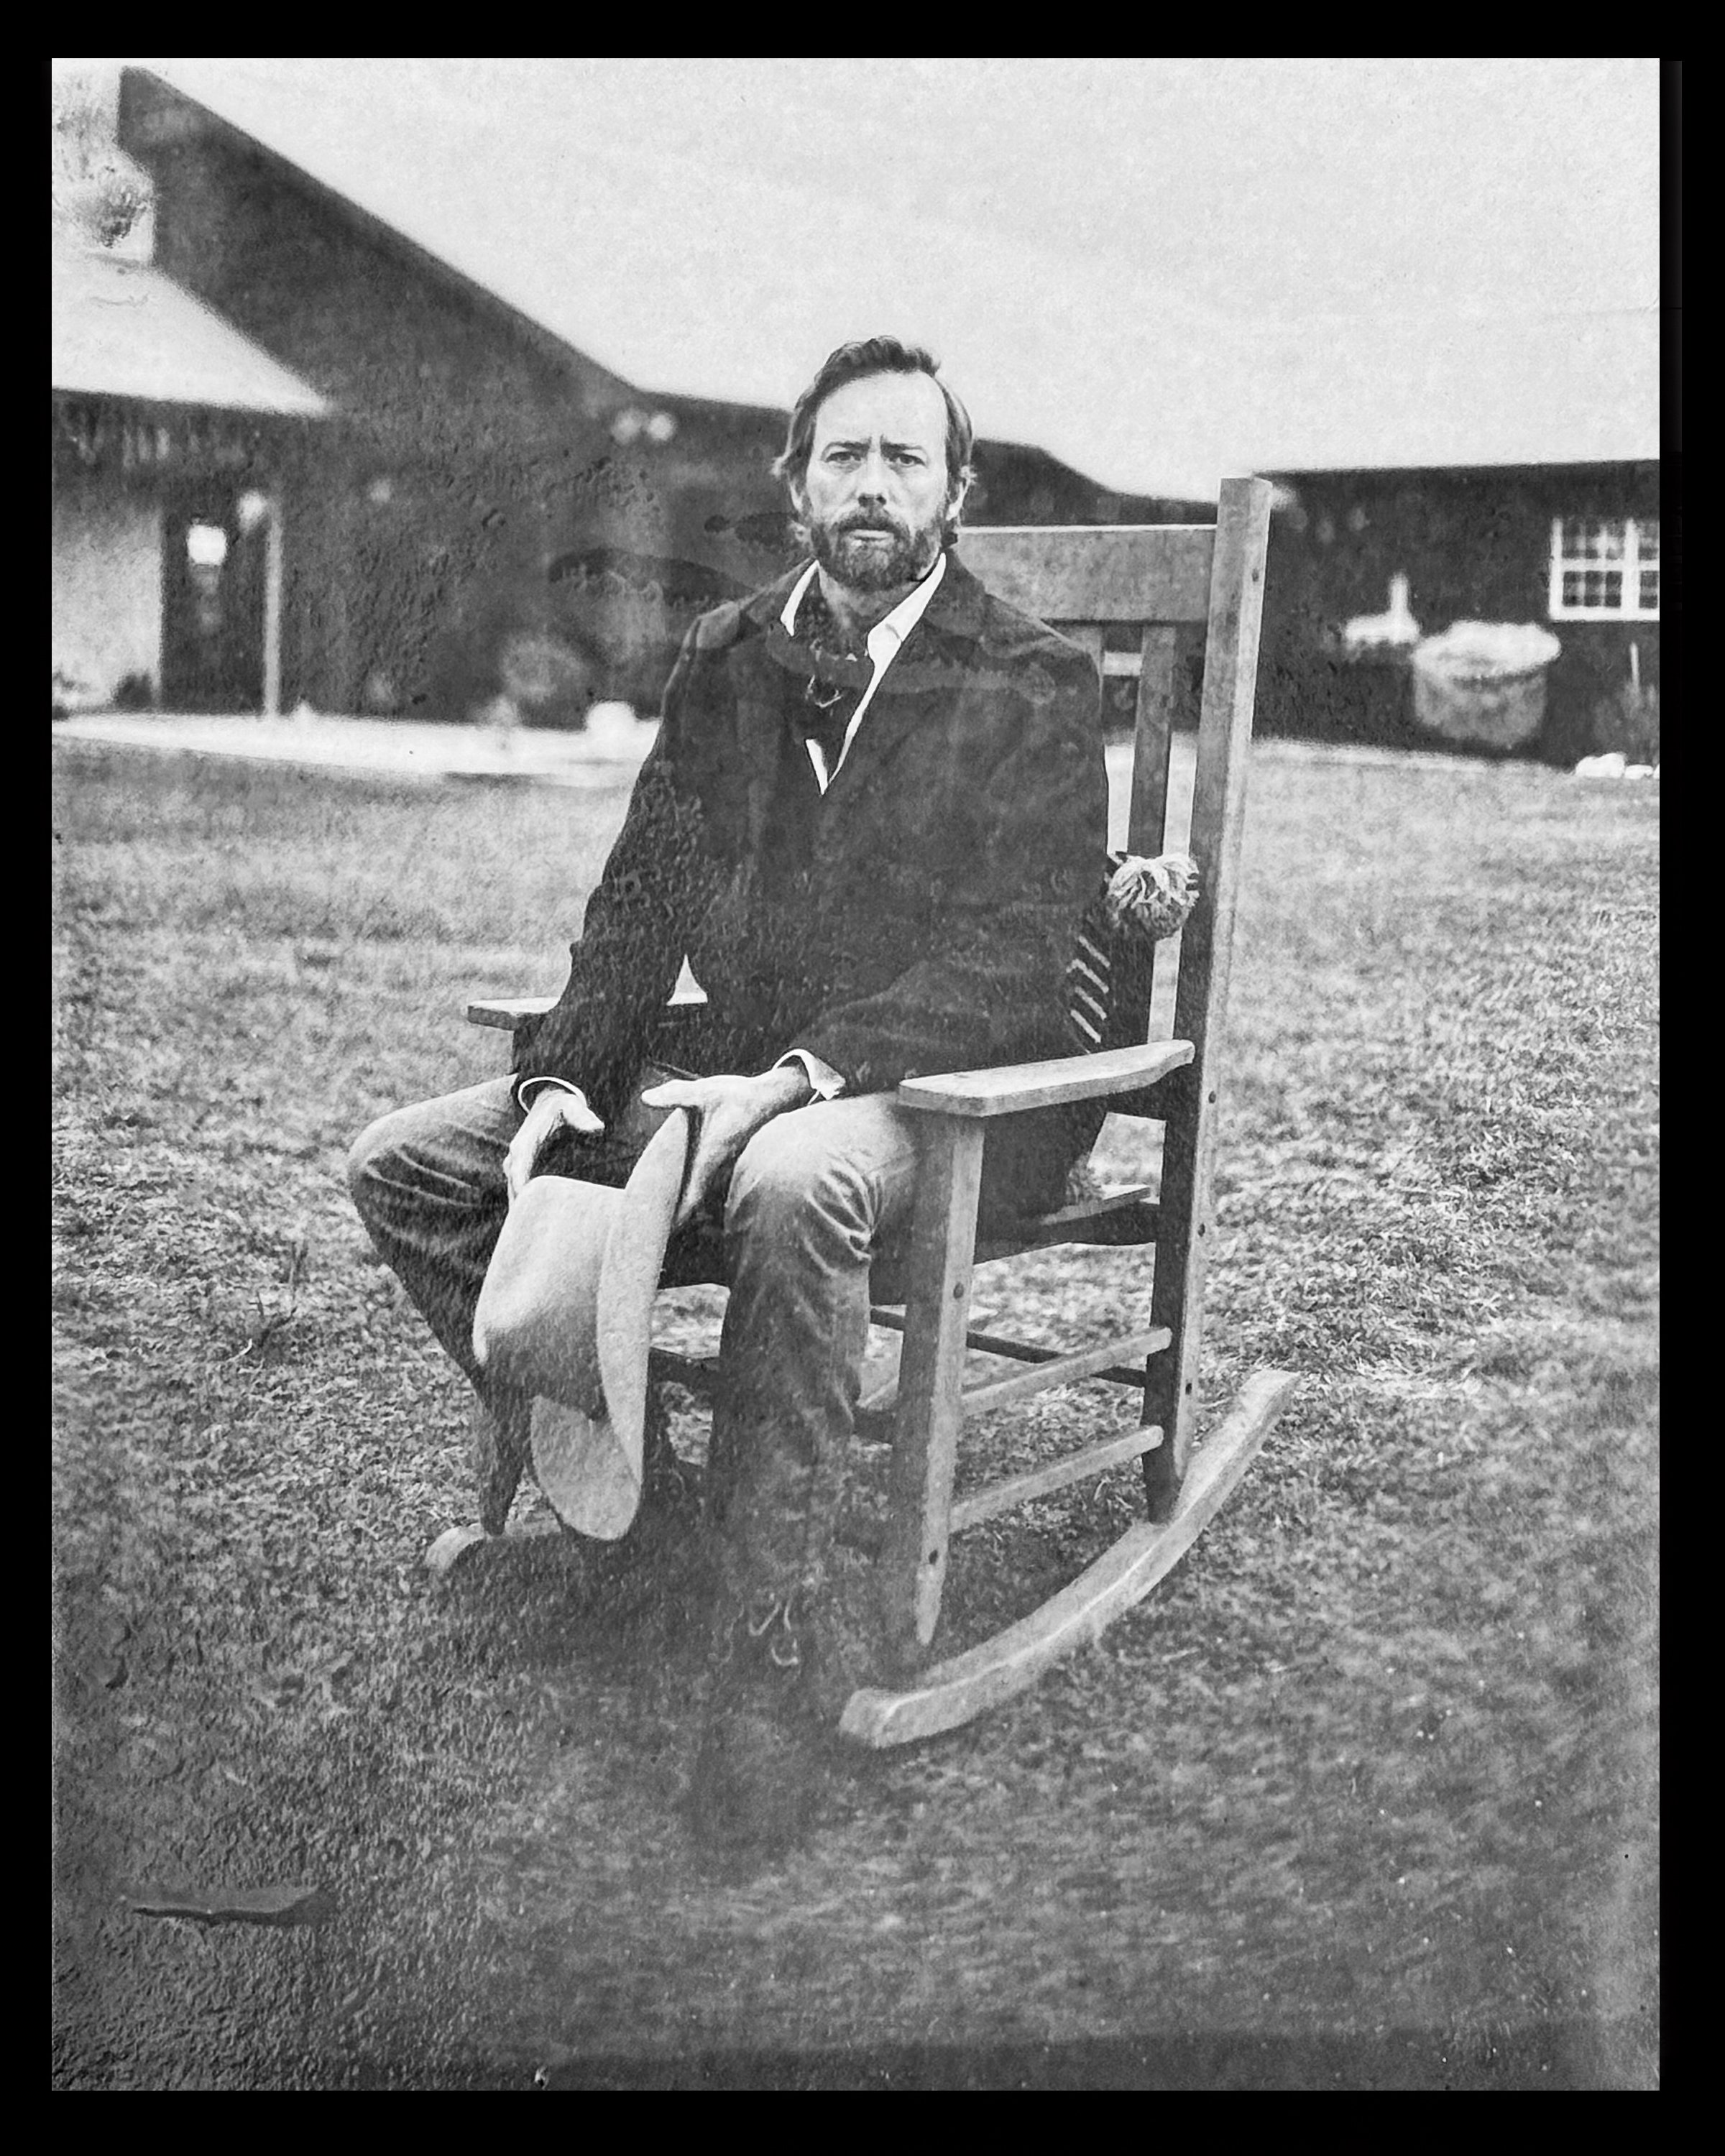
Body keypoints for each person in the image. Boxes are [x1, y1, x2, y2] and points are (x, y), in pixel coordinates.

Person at [348, 336, 1108, 1861]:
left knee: (790, 1179)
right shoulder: (727, 657)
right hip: (736, 1078)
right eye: (845, 456)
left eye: (905, 457)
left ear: (957, 492)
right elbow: (643, 896)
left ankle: (763, 1644)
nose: (873, 484)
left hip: (948, 1091)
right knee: (411, 1166)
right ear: (794, 484)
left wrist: (798, 1081)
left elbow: (1024, 957)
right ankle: (655, 1533)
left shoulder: (1032, 680)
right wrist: (570, 1077)